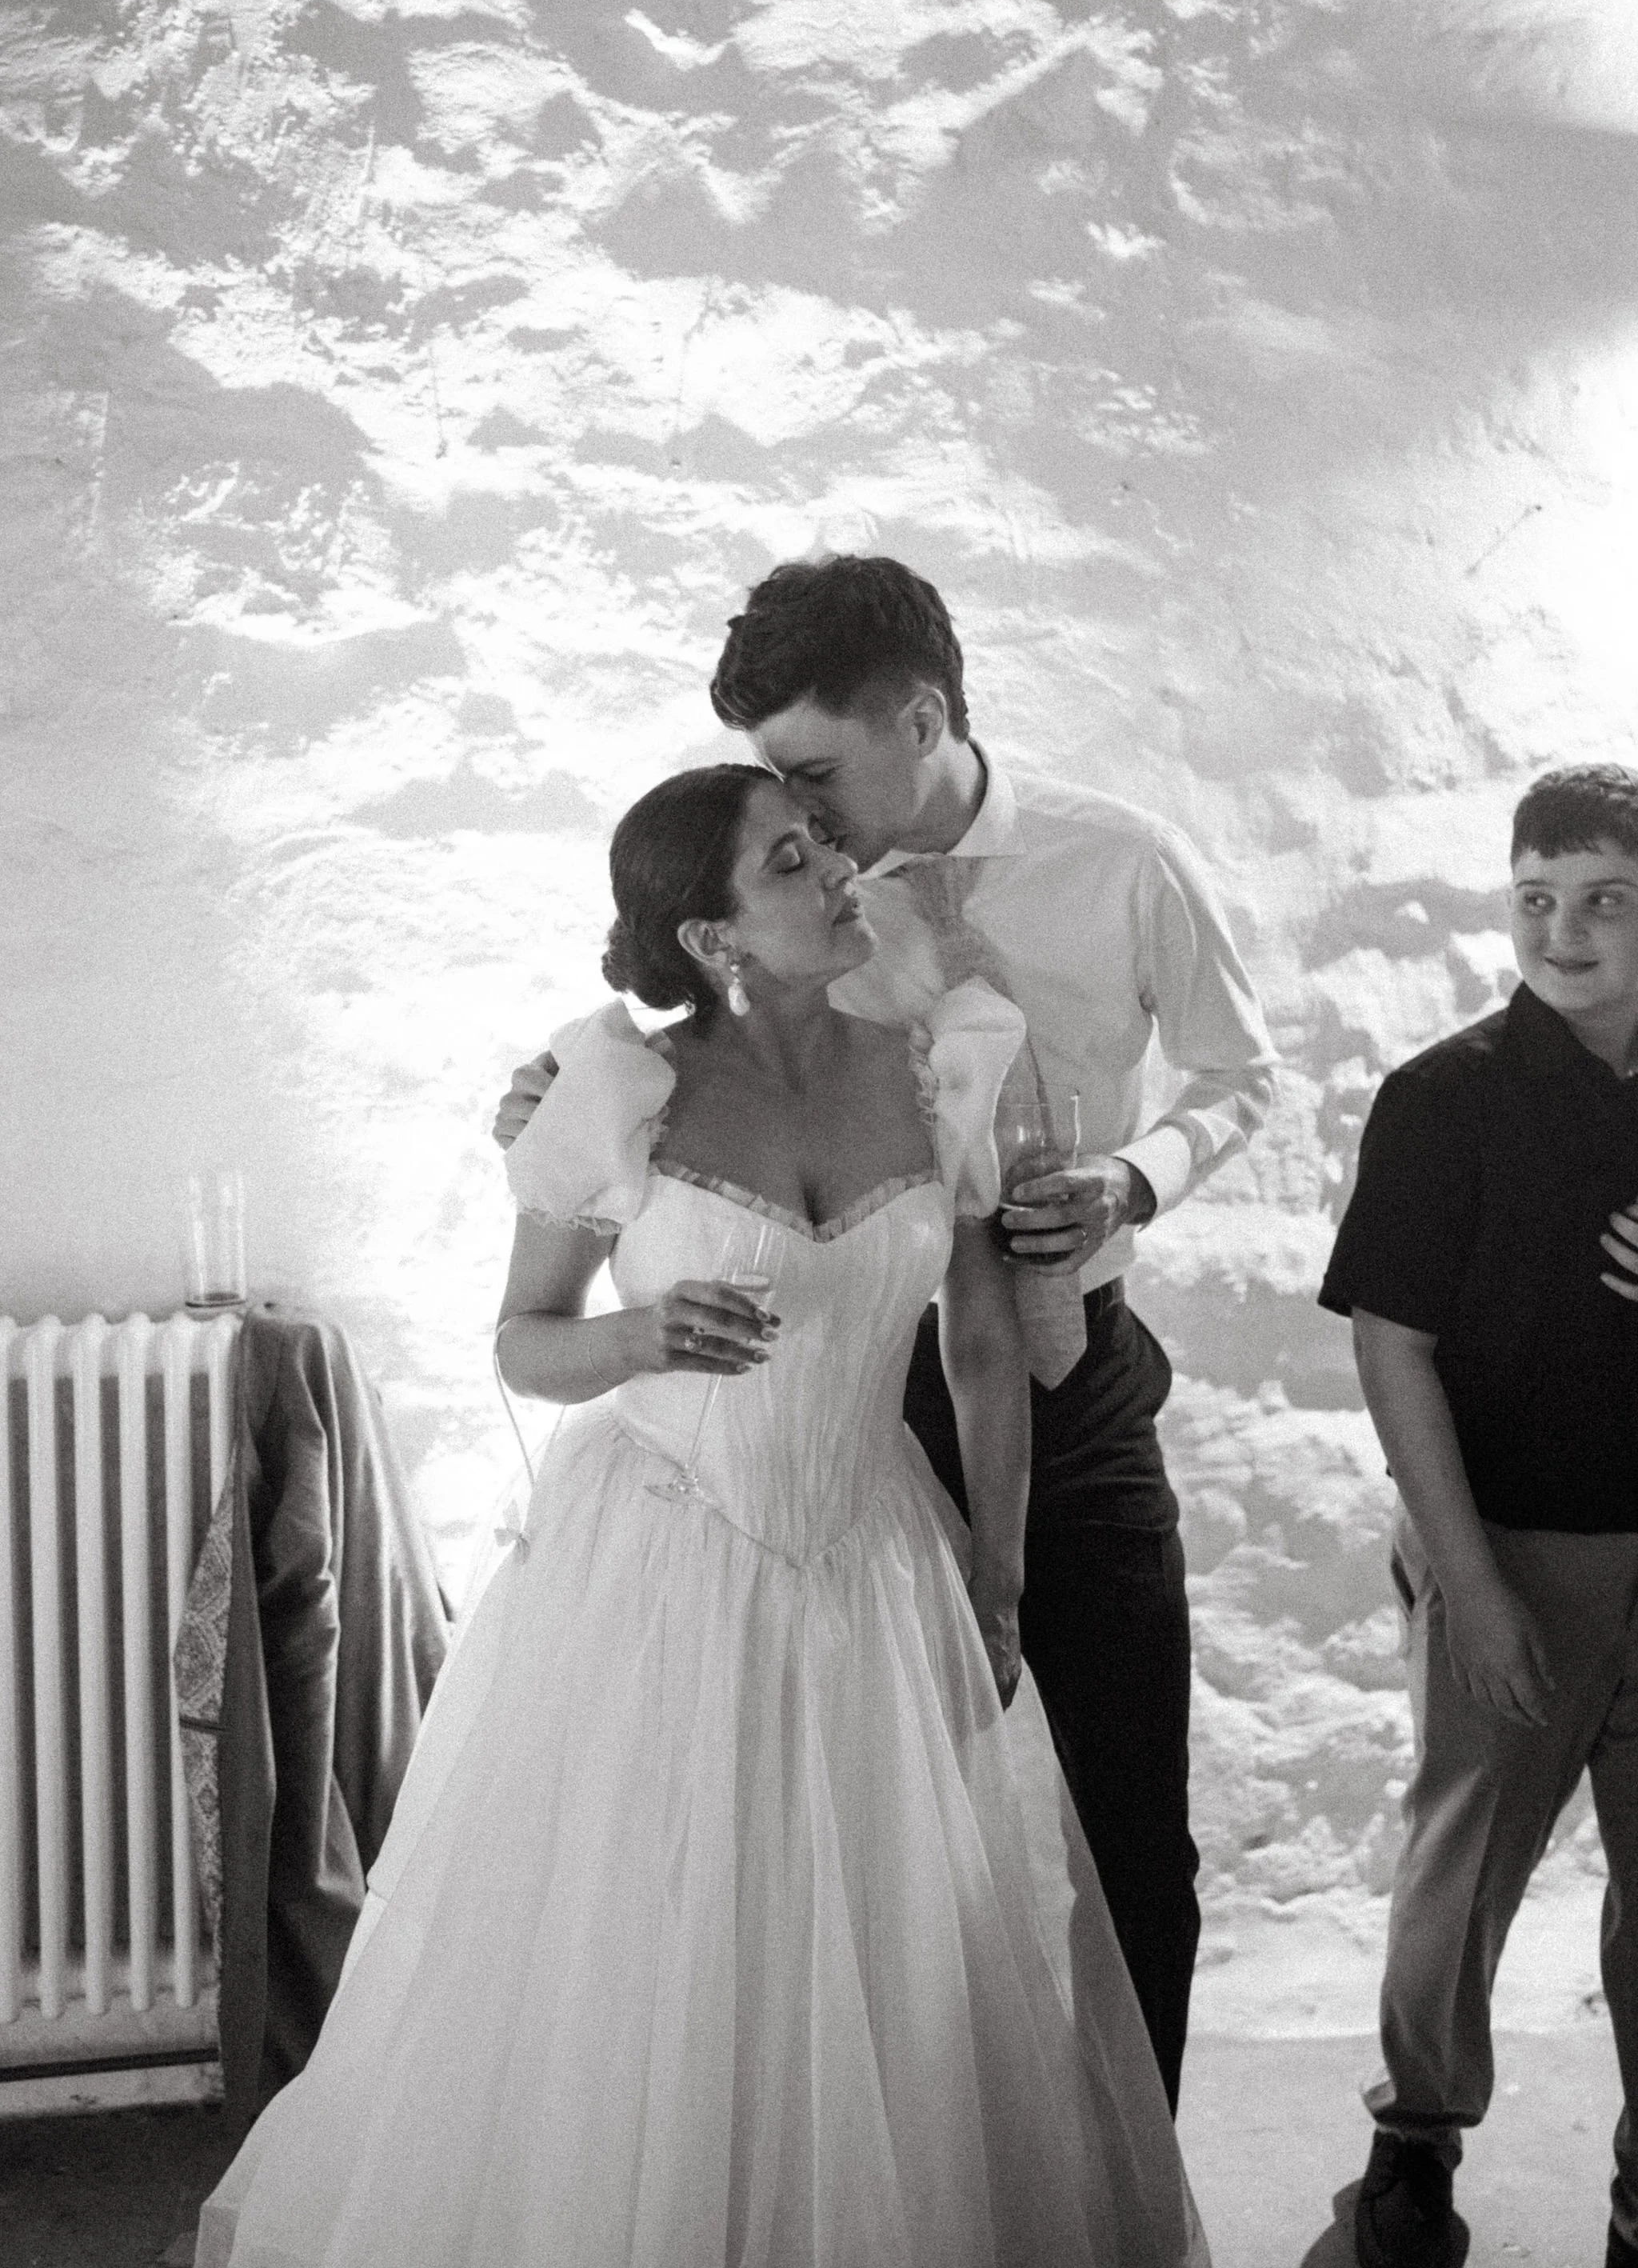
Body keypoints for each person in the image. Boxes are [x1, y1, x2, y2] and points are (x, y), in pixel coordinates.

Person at [198, 763, 1207, 2268]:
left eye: (822, 848)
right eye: (793, 864)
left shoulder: (942, 1062)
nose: (839, 877)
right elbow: (522, 1343)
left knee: (882, 1952)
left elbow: (983, 1342)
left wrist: (997, 1569)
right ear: (715, 940)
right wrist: (641, 1340)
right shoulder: (611, 1091)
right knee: (658, 1945)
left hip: (873, 1558)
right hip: (658, 1572)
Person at [493, 556, 1276, 2109]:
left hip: (1064, 1362)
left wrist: (1135, 1175)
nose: (807, 819)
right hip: (835, 1398)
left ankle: (1116, 2193)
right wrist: (554, 1129)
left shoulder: (1116, 864)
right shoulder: (797, 907)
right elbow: (675, 1075)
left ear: (918, 718)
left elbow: (1237, 1072)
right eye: (780, 801)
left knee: (1127, 1829)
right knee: (849, 1860)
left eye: (811, 775)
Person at [1318, 762, 1638, 2268]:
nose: (1562, 932)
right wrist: (1474, 1583)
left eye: (1604, 903)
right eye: (1535, 901)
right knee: (1463, 1863)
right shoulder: (1445, 1100)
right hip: (1512, 1543)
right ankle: (1414, 2144)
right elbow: (1394, 1345)